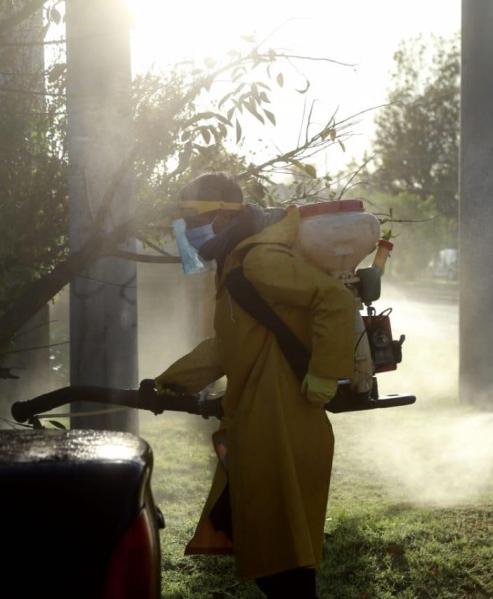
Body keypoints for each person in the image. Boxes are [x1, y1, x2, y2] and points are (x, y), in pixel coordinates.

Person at [153, 171, 355, 597]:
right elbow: (227, 345)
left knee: (280, 553)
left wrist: (324, 373)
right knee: (264, 539)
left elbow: (334, 300)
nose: (188, 232)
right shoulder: (234, 264)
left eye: (194, 220)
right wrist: (170, 383)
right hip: (261, 418)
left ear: (224, 219)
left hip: (285, 418)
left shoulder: (258, 259)